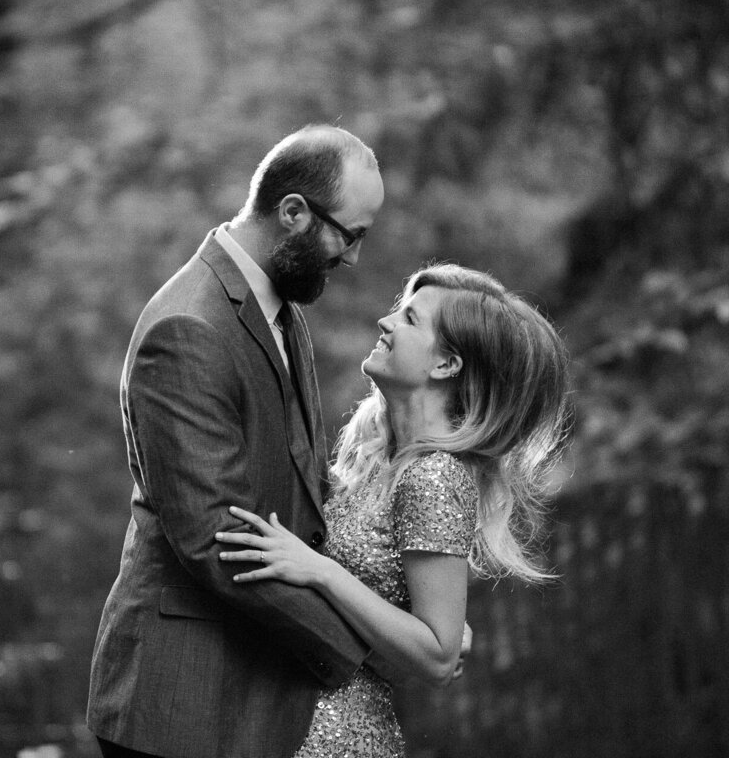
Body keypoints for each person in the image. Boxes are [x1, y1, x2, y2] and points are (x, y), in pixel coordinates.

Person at [87, 124, 387, 758]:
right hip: (180, 704)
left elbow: (301, 498)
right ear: (294, 212)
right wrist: (366, 640)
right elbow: (220, 540)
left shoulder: (281, 308)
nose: (354, 257)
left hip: (246, 695)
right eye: (350, 235)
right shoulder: (188, 327)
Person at [217, 263, 571, 757]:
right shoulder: (373, 459)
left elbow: (439, 655)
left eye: (409, 319)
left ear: (447, 364)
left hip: (342, 740)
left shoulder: (434, 475)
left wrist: (319, 571)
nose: (386, 324)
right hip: (292, 725)